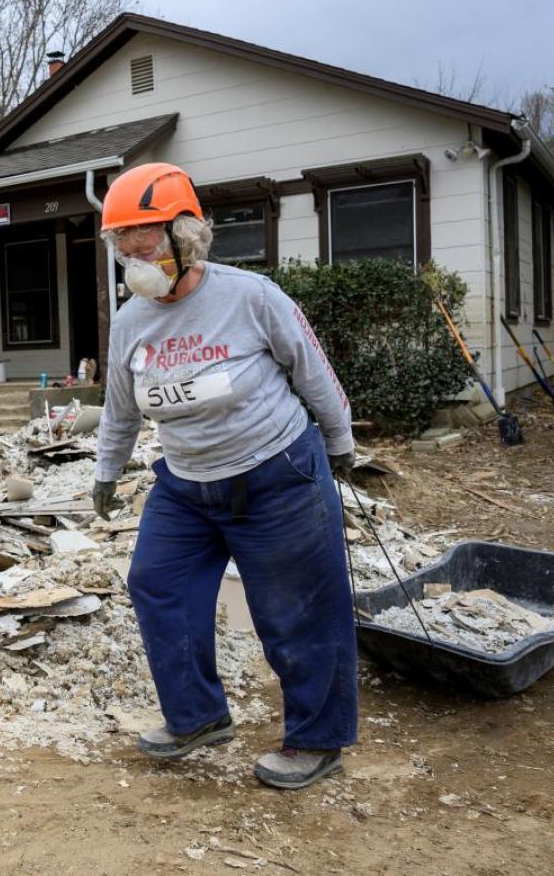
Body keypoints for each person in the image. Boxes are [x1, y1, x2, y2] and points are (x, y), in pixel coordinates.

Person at [92, 161, 358, 790]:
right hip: (186, 485)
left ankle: (316, 740)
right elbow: (120, 406)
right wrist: (106, 471)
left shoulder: (249, 297)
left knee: (296, 608)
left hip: (277, 474)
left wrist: (341, 438)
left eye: (145, 244)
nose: (133, 258)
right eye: (121, 247)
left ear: (186, 238)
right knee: (157, 584)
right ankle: (197, 717)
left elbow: (312, 369)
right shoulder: (131, 322)